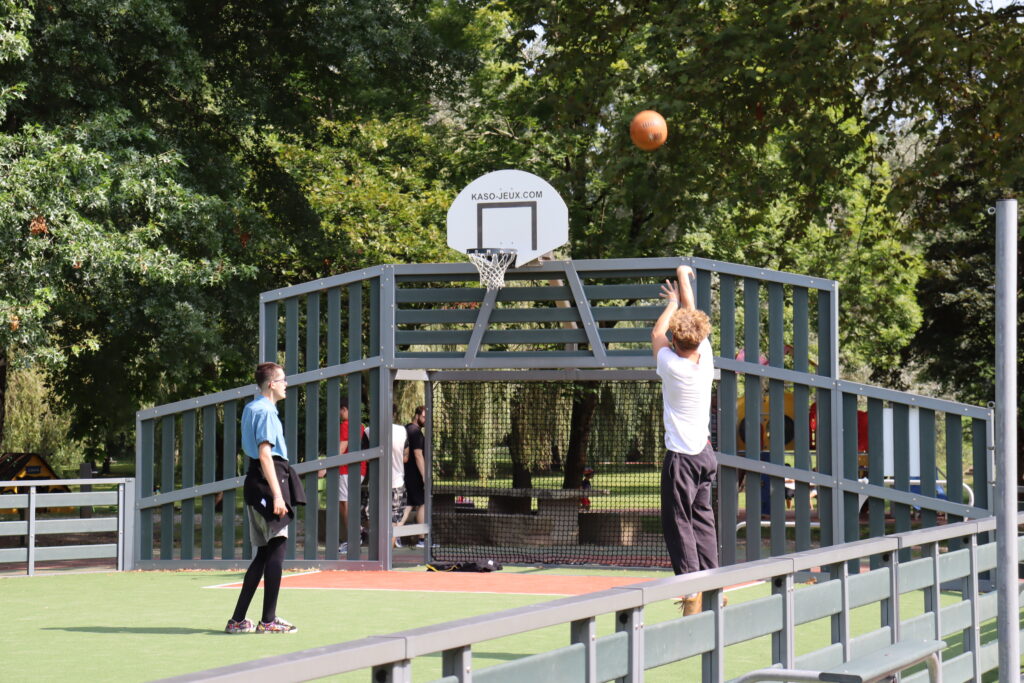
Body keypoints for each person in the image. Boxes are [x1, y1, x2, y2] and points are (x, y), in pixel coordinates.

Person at [652, 265, 719, 616]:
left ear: (676, 342)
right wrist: (683, 277)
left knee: (678, 521)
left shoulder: (670, 364)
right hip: (706, 455)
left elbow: (656, 333)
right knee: (703, 519)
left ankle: (691, 589)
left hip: (681, 458)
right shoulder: (704, 356)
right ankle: (713, 586)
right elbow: (689, 317)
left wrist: (670, 303)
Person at [225, 362, 304, 634]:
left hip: (254, 482)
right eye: (282, 380)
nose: (286, 384)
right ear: (271, 383)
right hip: (268, 482)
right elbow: (265, 454)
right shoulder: (267, 411)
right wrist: (278, 495)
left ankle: (237, 620)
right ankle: (268, 621)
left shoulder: (251, 407)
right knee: (277, 550)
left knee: (263, 554)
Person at [336, 398, 368, 555]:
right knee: (347, 503)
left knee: (345, 504)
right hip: (359, 470)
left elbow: (341, 449)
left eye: (341, 410)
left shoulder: (346, 425)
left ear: (345, 409)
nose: (340, 414)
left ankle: (354, 537)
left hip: (346, 470)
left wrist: (325, 465)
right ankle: (357, 532)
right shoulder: (360, 426)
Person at [402, 406, 427, 548]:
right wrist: (424, 476)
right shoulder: (416, 432)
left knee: (408, 505)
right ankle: (422, 539)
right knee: (422, 504)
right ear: (417, 415)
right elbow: (418, 455)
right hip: (414, 475)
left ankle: (395, 534)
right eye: (424, 416)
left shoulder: (406, 429)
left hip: (405, 474)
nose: (425, 420)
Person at [389, 404, 410, 546]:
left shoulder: (368, 431)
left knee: (369, 514)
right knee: (395, 518)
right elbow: (406, 457)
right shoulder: (402, 431)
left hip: (377, 483)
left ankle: (380, 548)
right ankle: (388, 550)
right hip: (397, 481)